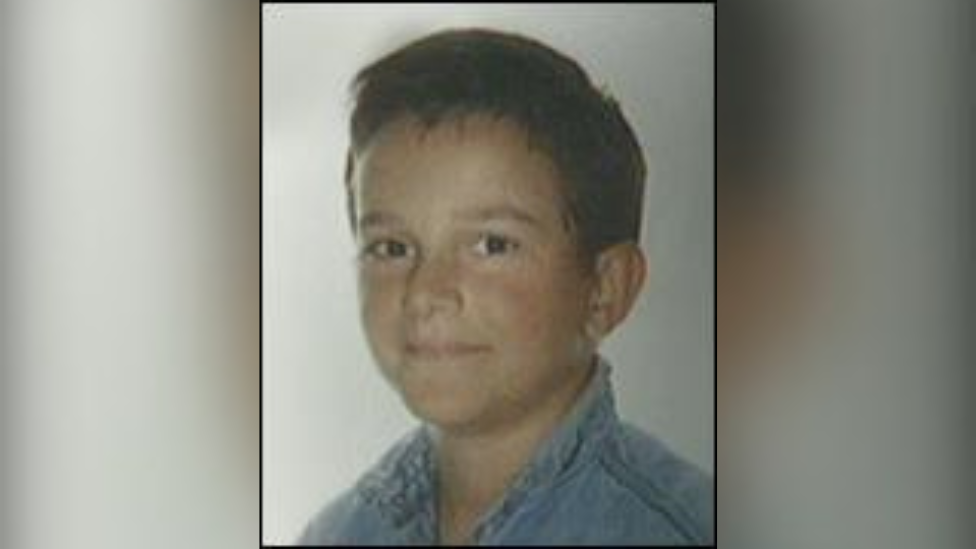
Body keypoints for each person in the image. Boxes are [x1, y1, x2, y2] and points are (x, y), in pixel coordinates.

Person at [299, 28, 713, 545]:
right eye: (392, 248)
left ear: (605, 290)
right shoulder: (339, 533)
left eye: (492, 245)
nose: (426, 292)